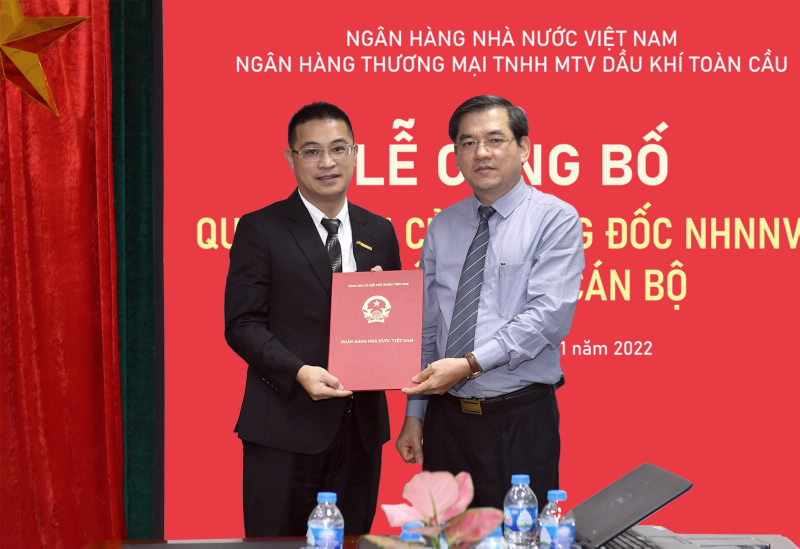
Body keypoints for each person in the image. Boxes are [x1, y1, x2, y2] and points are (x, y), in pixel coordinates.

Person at [395, 95, 585, 510]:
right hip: (446, 422)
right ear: (456, 155)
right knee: (445, 536)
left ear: (524, 147)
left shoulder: (555, 218)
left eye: (495, 140)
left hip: (519, 420)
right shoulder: (443, 225)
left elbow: (548, 317)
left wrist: (469, 364)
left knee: (522, 535)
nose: (481, 152)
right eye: (468, 143)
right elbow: (429, 326)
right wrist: (416, 413)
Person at [225, 102, 401, 537]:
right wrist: (299, 371)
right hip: (284, 430)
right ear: (292, 158)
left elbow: (392, 325)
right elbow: (243, 324)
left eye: (339, 149)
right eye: (312, 151)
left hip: (360, 433)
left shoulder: (380, 230)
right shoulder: (261, 228)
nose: (327, 162)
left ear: (356, 154)